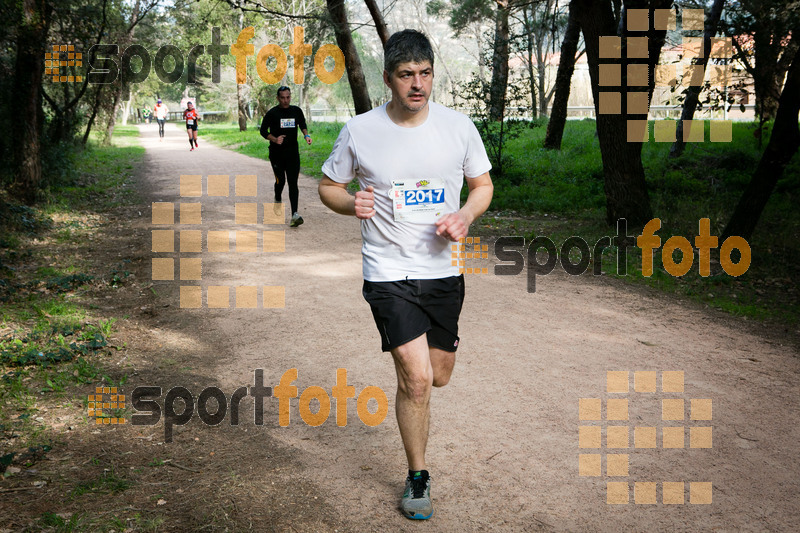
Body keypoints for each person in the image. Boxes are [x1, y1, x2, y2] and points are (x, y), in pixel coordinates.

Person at [318, 29, 493, 520]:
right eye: (406, 75)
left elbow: (482, 185)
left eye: (425, 73)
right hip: (388, 270)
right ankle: (418, 476)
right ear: (388, 78)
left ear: (433, 73)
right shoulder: (360, 130)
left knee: (438, 376)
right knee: (415, 379)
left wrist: (466, 215)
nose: (417, 85)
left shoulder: (459, 128)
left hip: (444, 271)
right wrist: (352, 202)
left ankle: (421, 383)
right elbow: (328, 187)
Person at [260, 86, 312, 227]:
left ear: (290, 96)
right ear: (278, 98)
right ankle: (278, 199)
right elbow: (263, 131)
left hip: (292, 153)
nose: (285, 100)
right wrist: (275, 139)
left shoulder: (296, 111)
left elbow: (302, 123)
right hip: (276, 154)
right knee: (281, 181)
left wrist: (306, 135)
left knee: (293, 183)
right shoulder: (272, 113)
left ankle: (294, 214)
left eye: (288, 97)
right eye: (282, 97)